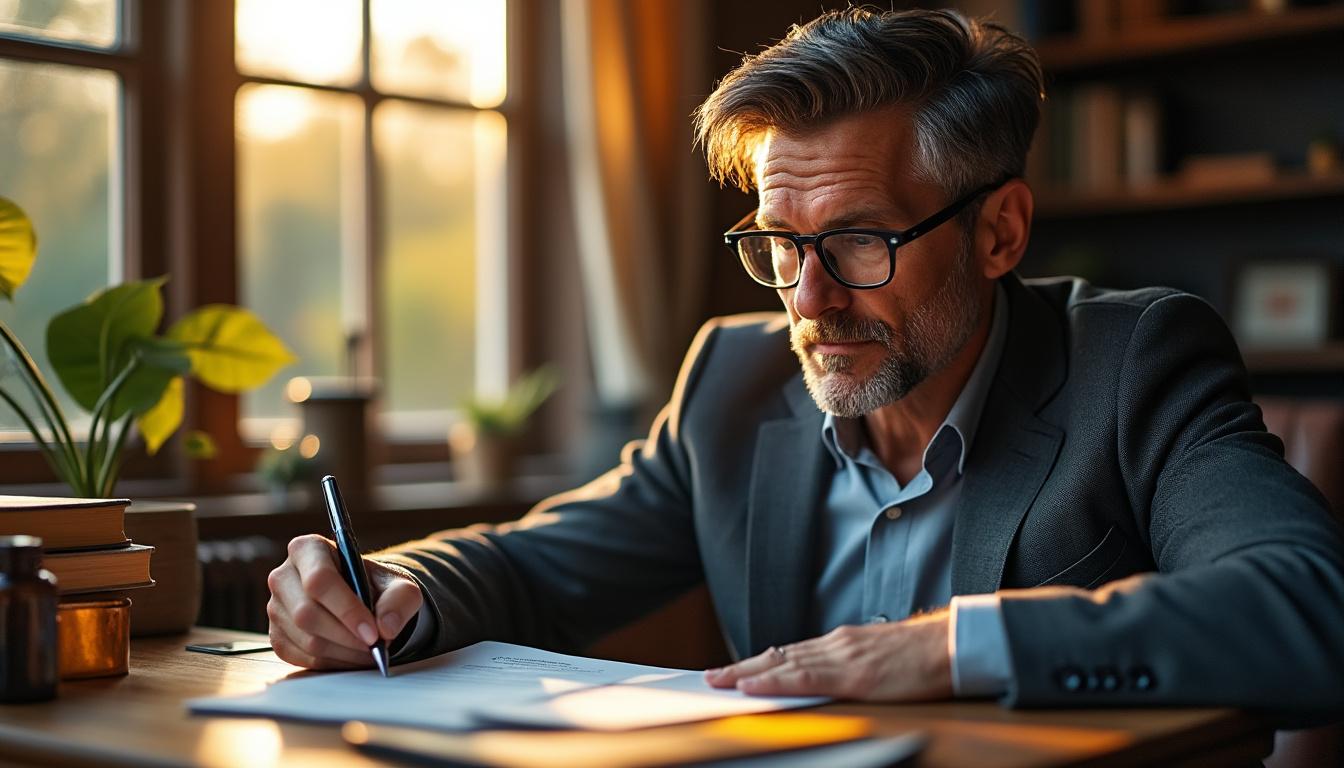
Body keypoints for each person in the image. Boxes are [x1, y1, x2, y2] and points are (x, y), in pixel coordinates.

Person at [266, 8, 1344, 716]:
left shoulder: (1133, 362)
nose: (810, 299)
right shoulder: (732, 384)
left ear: (1000, 232)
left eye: (860, 242)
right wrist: (396, 591)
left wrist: (951, 649)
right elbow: (533, 568)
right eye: (781, 245)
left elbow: (1309, 607)